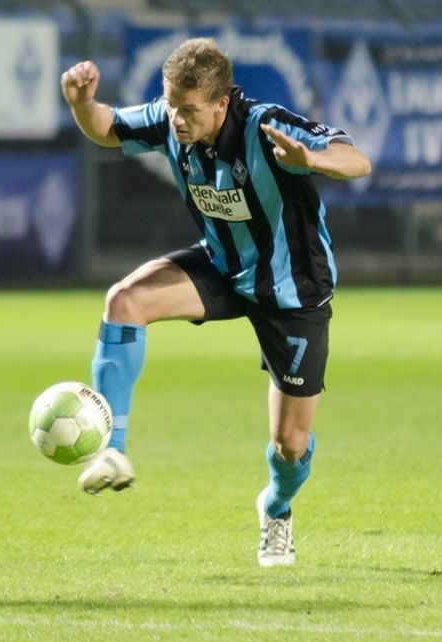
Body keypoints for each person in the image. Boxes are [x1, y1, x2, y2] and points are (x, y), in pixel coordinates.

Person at [60, 38, 371, 566]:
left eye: (189, 110)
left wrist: (311, 159)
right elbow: (107, 128)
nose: (177, 120)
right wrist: (81, 104)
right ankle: (113, 449)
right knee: (125, 301)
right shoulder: (168, 118)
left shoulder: (264, 124)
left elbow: (357, 160)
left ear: (221, 103)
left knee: (290, 444)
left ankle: (276, 508)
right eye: (172, 106)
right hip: (223, 268)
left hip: (292, 291)